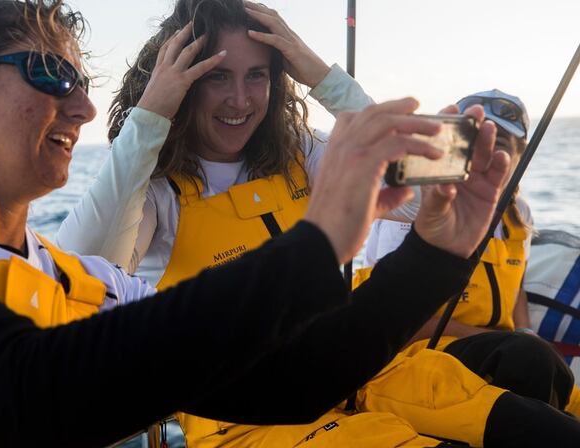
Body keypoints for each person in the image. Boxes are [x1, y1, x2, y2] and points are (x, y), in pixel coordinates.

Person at [0, 1, 534, 447]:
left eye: (81, 84)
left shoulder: (75, 282)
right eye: (50, 76)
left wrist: (435, 254)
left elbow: (296, 380)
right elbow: (14, 396)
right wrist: (318, 242)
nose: (79, 108)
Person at [56, 1, 580, 446]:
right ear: (180, 81)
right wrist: (151, 119)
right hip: (243, 417)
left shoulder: (300, 153)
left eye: (257, 74)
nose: (240, 101)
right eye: (217, 76)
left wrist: (321, 75)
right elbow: (78, 275)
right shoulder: (154, 190)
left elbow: (427, 195)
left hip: (359, 367)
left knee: (539, 414)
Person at [358, 89, 579, 414]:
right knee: (529, 360)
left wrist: (525, 332)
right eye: (472, 139)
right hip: (411, 357)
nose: (484, 152)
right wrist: (510, 342)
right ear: (451, 144)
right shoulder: (417, 207)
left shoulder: (520, 213)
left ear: (521, 155)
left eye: (500, 142)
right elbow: (397, 323)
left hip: (494, 351)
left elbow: (514, 287)